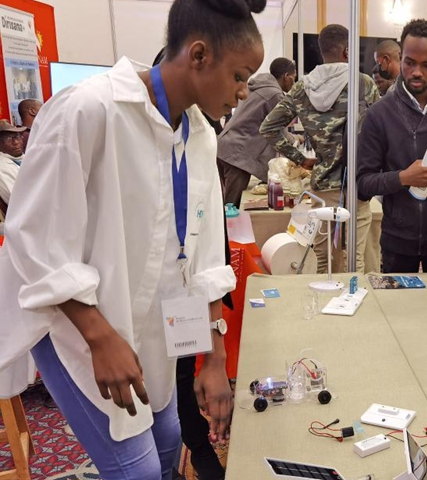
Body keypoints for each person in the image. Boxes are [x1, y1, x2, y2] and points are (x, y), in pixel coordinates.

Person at [0, 0, 266, 478]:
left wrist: (214, 353)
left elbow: (205, 257)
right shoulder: (88, 109)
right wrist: (101, 338)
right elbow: (32, 240)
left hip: (150, 326)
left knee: (168, 445)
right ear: (199, 55)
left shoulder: (201, 136)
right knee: (138, 471)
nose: (243, 93)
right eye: (240, 76)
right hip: (73, 323)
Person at [261, 24, 380, 274]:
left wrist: (301, 160)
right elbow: (382, 130)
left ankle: (320, 307)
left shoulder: (302, 87)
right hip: (356, 185)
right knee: (352, 258)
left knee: (320, 256)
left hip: (321, 185)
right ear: (348, 51)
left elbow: (269, 127)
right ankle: (351, 307)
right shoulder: (363, 84)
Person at [357, 19, 427, 273]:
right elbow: (363, 185)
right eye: (409, 63)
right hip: (398, 238)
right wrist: (403, 177)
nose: (416, 72)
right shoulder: (379, 114)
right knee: (397, 310)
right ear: (401, 57)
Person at [218, 57, 297, 206]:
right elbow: (278, 130)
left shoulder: (257, 87)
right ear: (286, 77)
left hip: (225, 147)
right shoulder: (275, 94)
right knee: (231, 208)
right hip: (237, 154)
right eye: (293, 79)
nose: (293, 83)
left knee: (224, 205)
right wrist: (296, 144)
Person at [0, 122, 25, 213]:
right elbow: (17, 201)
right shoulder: (2, 167)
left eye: (17, 136)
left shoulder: (25, 158)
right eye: (9, 139)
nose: (16, 142)